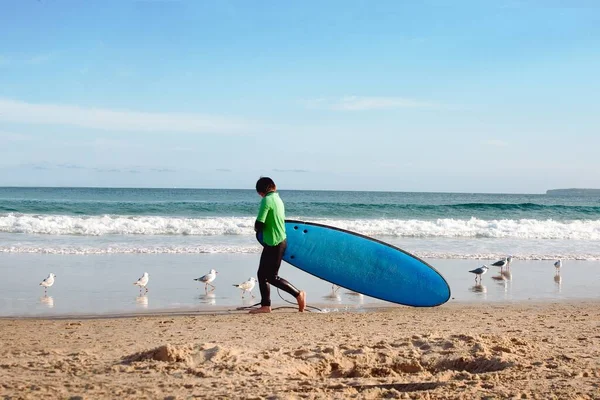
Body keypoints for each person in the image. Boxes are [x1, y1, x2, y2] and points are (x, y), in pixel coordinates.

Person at [250, 177, 306, 314]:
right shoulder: (278, 199)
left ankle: (299, 294)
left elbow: (260, 223)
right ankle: (265, 306)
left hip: (275, 243)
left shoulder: (267, 200)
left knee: (271, 277)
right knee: (262, 274)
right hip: (275, 242)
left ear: (261, 192)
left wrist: (256, 229)